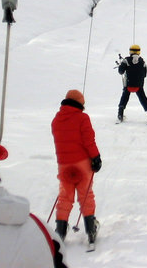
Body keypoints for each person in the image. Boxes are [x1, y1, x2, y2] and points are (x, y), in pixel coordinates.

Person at [51, 89, 101, 246]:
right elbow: (88, 140)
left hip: (64, 165)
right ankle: (91, 228)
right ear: (80, 102)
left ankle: (60, 231)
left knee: (65, 197)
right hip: (82, 163)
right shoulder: (82, 118)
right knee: (86, 195)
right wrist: (96, 157)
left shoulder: (56, 120)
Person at [117, 44, 147, 123]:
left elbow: (120, 71)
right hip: (139, 85)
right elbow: (145, 75)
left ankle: (120, 114)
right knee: (143, 100)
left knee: (124, 98)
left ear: (130, 51)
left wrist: (121, 66)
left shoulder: (126, 60)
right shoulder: (142, 61)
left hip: (128, 85)